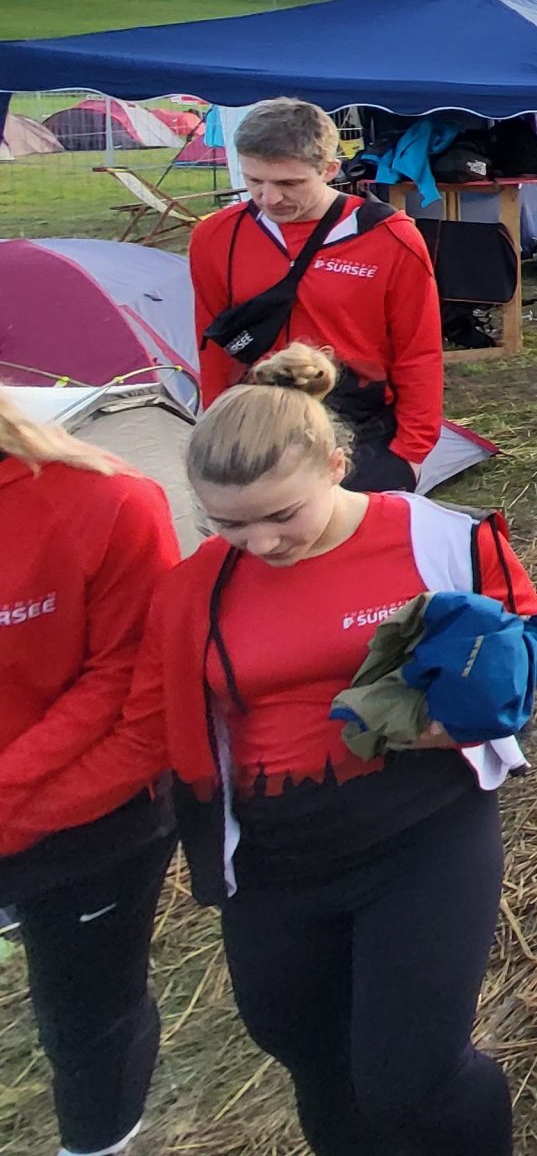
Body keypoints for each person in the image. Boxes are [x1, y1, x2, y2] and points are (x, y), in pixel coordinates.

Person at [112, 344, 537, 1156]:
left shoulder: (437, 538)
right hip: (272, 857)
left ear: (336, 464)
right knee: (311, 1060)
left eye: (283, 515)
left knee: (410, 1081)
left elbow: (524, 639)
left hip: (421, 833)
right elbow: (148, 718)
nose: (260, 543)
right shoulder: (194, 588)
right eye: (228, 523)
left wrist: (464, 710)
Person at [1, 395, 181, 1156]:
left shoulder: (108, 502)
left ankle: (101, 1144)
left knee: (84, 1019)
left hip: (88, 817)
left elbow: (128, 685)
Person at [190, 96, 444, 493]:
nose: (269, 198)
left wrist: (410, 453)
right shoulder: (216, 237)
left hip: (359, 424)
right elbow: (212, 343)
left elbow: (419, 350)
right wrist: (219, 424)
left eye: (289, 183)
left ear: (329, 170)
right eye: (254, 181)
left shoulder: (390, 237)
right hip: (260, 418)